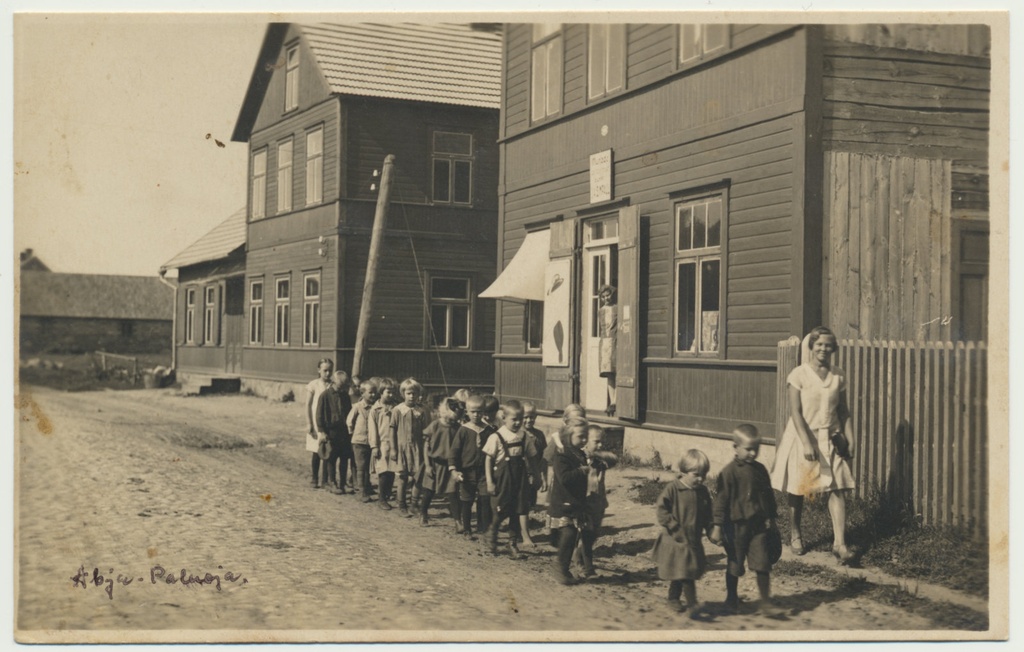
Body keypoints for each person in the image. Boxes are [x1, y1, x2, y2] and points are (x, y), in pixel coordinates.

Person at [769, 326, 856, 564]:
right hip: (803, 436)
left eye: (828, 345)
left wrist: (851, 437)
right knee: (799, 488)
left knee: (836, 487)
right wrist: (807, 442)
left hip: (832, 437)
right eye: (819, 344)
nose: (823, 349)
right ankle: (796, 533)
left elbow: (844, 410)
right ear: (812, 346)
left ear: (833, 348)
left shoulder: (838, 375)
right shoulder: (798, 374)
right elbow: (796, 412)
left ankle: (839, 543)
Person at [709, 425, 782, 615]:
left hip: (757, 526)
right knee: (735, 563)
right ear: (736, 447)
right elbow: (721, 501)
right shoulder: (729, 473)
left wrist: (772, 519)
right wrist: (717, 526)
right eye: (748, 449)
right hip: (735, 528)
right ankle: (731, 599)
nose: (752, 453)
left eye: (756, 449)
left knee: (762, 563)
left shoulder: (760, 470)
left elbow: (768, 496)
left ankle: (765, 602)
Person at [651, 449, 713, 616]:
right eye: (696, 474)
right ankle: (692, 604)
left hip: (692, 538)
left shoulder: (702, 492)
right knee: (686, 571)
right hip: (676, 539)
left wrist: (711, 529)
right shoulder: (674, 489)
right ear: (683, 471)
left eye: (704, 475)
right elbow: (662, 510)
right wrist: (673, 526)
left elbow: (708, 513)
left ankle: (673, 597)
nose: (701, 479)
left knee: (683, 570)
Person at [547, 418, 590, 585]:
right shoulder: (562, 455)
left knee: (571, 535)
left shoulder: (579, 454)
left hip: (575, 501)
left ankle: (563, 567)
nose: (584, 440)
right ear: (568, 436)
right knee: (569, 533)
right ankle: (560, 568)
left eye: (586, 436)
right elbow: (564, 478)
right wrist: (580, 471)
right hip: (563, 501)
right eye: (581, 436)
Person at [574, 424, 618, 576]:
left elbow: (614, 459)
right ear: (585, 440)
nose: (600, 445)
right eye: (596, 441)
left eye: (602, 442)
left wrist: (598, 454)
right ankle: (587, 567)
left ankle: (578, 557)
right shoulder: (579, 458)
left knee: (593, 535)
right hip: (585, 502)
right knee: (586, 534)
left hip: (599, 502)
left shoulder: (600, 460)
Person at [448, 394, 492, 538]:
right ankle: (467, 528)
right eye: (473, 411)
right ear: (467, 411)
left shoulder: (489, 430)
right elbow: (454, 451)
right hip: (467, 472)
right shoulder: (464, 430)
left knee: (485, 499)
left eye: (479, 411)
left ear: (484, 412)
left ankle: (484, 527)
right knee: (467, 500)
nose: (476, 415)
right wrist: (454, 469)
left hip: (484, 472)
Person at [543, 403, 586, 547]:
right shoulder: (559, 439)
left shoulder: (582, 438)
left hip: (576, 480)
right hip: (561, 479)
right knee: (558, 507)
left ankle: (571, 536)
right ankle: (556, 536)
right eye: (572, 421)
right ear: (565, 422)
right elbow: (547, 457)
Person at [418, 397, 463, 526]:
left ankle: (457, 521)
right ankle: (423, 514)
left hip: (450, 465)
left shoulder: (458, 427)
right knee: (428, 491)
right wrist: (427, 465)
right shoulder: (435, 425)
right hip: (434, 464)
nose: (453, 421)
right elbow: (426, 446)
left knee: (453, 492)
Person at [389, 378, 430, 517]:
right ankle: (401, 504)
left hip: (417, 449)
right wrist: (393, 449)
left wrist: (427, 448)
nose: (411, 396)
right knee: (402, 477)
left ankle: (414, 504)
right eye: (408, 393)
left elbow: (427, 431)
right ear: (403, 394)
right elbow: (392, 430)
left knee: (418, 478)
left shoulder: (422, 411)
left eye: (414, 393)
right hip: (402, 448)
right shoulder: (398, 410)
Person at [316, 369, 353, 494]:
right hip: (331, 432)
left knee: (344, 458)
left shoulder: (345, 396)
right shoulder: (325, 396)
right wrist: (322, 431)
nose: (342, 389)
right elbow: (319, 415)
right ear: (333, 382)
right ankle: (332, 482)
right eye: (340, 386)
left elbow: (349, 413)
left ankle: (343, 483)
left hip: (343, 432)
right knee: (331, 458)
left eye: (344, 386)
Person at [368, 377, 400, 510]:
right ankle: (381, 498)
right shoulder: (375, 410)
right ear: (381, 392)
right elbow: (372, 429)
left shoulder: (396, 408)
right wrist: (374, 446)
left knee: (392, 470)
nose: (391, 395)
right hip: (381, 444)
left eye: (393, 392)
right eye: (388, 392)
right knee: (383, 471)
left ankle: (387, 494)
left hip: (394, 443)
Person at [519, 401, 548, 547]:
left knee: (529, 504)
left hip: (533, 474)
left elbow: (542, 458)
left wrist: (543, 477)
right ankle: (524, 536)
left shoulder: (539, 435)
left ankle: (521, 531)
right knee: (521, 505)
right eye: (525, 417)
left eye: (531, 417)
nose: (528, 420)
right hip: (519, 475)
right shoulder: (517, 434)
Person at [347, 378, 379, 503]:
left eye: (374, 392)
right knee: (360, 467)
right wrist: (353, 435)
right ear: (362, 393)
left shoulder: (375, 408)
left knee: (367, 466)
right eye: (370, 392)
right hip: (359, 441)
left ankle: (367, 486)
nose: (373, 395)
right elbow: (349, 422)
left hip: (370, 442)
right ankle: (361, 491)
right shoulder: (357, 407)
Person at [304, 358, 335, 489]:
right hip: (316, 423)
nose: (327, 373)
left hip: (328, 423)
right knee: (316, 450)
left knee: (328, 450)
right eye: (325, 370)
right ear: (319, 370)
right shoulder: (314, 385)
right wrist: (309, 423)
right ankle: (314, 478)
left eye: (330, 371)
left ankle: (325, 480)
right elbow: (308, 405)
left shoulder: (333, 385)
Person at [597, 284, 618, 416]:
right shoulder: (601, 311)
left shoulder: (617, 308)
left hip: (617, 341)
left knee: (618, 370)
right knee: (609, 373)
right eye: (603, 296)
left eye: (608, 295)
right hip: (605, 342)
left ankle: (616, 401)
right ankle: (612, 402)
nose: (606, 298)